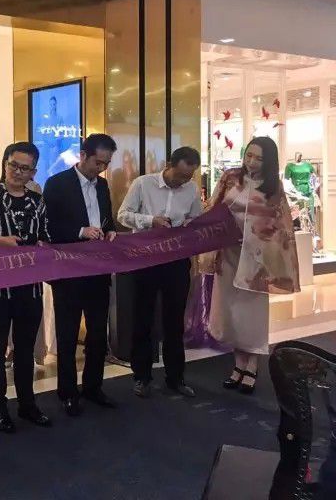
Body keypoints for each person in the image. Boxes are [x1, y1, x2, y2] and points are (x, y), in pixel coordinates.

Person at [207, 137, 299, 394]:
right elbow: (213, 209)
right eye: (249, 155)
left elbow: (281, 225)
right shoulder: (230, 178)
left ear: (269, 161)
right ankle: (238, 364)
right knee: (230, 311)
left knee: (252, 314)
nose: (252, 162)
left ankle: (252, 366)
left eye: (259, 158)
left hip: (257, 260)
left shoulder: (273, 186)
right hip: (228, 254)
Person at [0, 141, 51, 433]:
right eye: (13, 165)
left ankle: (27, 403)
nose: (18, 172)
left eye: (25, 168)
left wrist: (42, 245)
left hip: (29, 285)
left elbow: (46, 235)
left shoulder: (37, 201)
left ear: (34, 172)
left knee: (25, 348)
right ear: (5, 163)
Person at [118, 146, 203, 399]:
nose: (183, 181)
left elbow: (196, 220)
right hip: (145, 259)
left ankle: (175, 377)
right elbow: (123, 215)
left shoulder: (191, 189)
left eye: (188, 177)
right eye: (180, 175)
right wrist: (150, 221)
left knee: (174, 321)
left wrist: (189, 225)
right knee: (142, 319)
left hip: (176, 260)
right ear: (168, 165)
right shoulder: (143, 184)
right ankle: (142, 377)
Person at [44, 133, 118, 417]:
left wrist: (109, 231)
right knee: (67, 333)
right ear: (83, 155)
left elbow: (107, 219)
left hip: (97, 270)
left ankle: (93, 386)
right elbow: (49, 227)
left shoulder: (103, 185)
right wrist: (80, 231)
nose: (101, 168)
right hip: (69, 271)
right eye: (98, 162)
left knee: (98, 333)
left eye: (106, 164)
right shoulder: (57, 183)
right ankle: (67, 392)